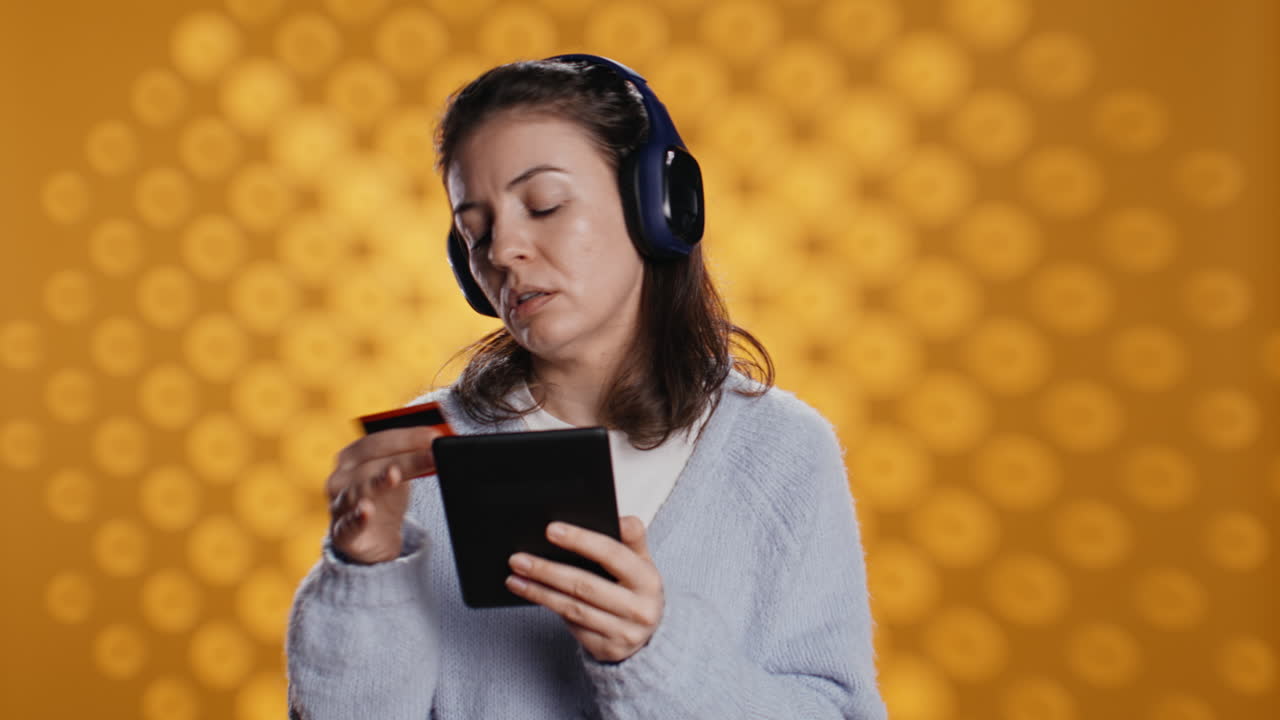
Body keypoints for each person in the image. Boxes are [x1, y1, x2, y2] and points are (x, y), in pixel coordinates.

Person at [285, 54, 886, 720]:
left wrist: (653, 655)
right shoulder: (417, 453)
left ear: (657, 206)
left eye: (543, 205)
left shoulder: (782, 452)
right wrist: (363, 571)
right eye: (474, 231)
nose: (504, 249)